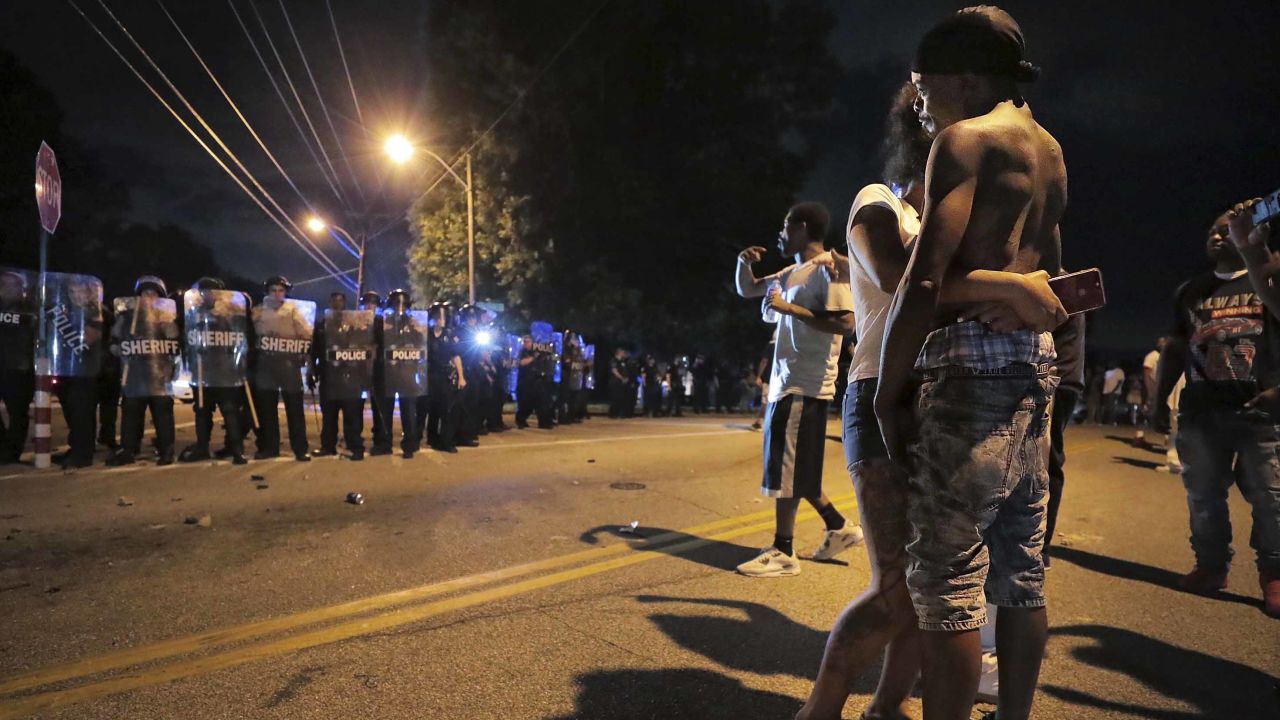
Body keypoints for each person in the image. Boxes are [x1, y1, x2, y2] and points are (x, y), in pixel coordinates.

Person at [799, 81, 1066, 720]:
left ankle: (887, 707)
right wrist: (1012, 287)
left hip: (936, 393)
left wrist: (1014, 291)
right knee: (901, 587)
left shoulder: (942, 225)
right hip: (877, 390)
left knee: (932, 587)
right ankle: (820, 707)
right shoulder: (879, 205)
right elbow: (903, 282)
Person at [874, 8, 1068, 719]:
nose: (919, 103)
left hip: (967, 374)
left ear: (962, 78)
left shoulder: (965, 141)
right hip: (1033, 366)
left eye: (924, 87)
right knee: (1021, 574)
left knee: (947, 579)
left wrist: (885, 394)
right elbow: (1056, 275)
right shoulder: (1048, 148)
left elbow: (922, 283)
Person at [1154, 200, 1280, 619]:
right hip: (1202, 411)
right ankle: (1210, 565)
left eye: (1228, 229)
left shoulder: (1268, 281)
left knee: (1271, 498)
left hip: (1261, 412)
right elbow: (1174, 350)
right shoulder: (1189, 291)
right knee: (1203, 496)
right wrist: (1159, 401)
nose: (1218, 234)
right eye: (1213, 229)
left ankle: (1274, 574)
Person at [733, 200, 864, 579]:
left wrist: (791, 312)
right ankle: (837, 526)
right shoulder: (793, 272)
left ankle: (783, 550)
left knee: (786, 470)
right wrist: (744, 263)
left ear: (803, 227)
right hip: (785, 381)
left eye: (785, 225)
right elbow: (748, 290)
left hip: (804, 382)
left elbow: (845, 322)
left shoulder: (831, 268)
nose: (780, 233)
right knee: (796, 468)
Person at [106, 276, 180, 466]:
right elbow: (115, 337)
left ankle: (166, 449)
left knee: (162, 412)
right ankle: (128, 449)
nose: (149, 297)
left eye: (154, 294)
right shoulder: (127, 316)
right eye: (145, 293)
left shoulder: (166, 318)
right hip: (135, 372)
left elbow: (175, 342)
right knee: (131, 412)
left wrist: (167, 326)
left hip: (159, 373)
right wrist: (117, 347)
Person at [180, 277, 247, 465]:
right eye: (204, 291)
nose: (207, 295)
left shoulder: (230, 314)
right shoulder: (194, 313)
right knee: (202, 411)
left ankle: (236, 450)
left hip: (225, 371)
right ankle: (202, 447)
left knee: (229, 411)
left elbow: (239, 338)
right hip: (202, 370)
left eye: (211, 291)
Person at [249, 276, 312, 462]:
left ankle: (300, 448)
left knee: (295, 411)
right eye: (273, 290)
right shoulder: (258, 311)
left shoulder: (293, 311)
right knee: (267, 411)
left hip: (288, 366)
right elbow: (249, 334)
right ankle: (270, 448)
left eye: (280, 290)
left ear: (286, 292)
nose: (277, 294)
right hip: (266, 366)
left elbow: (306, 335)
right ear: (267, 292)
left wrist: (303, 354)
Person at [312, 292, 369, 461]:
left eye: (341, 301)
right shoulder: (322, 326)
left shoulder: (353, 324)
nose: (338, 304)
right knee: (329, 415)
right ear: (330, 303)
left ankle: (355, 447)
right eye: (334, 301)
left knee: (352, 415)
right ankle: (328, 446)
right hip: (329, 378)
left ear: (345, 303)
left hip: (350, 378)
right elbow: (315, 350)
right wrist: (312, 370)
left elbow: (362, 348)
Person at [377, 290, 426, 458]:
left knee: (408, 411)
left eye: (403, 304)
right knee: (386, 411)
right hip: (387, 374)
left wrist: (414, 328)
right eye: (397, 304)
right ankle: (384, 443)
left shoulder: (412, 324)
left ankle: (410, 446)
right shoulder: (382, 323)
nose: (400, 307)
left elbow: (421, 345)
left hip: (407, 373)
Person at [0, 270, 35, 464]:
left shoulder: (29, 308)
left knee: (18, 412)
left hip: (19, 367)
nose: (5, 288)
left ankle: (11, 453)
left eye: (10, 284)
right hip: (3, 364)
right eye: (2, 284)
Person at [425, 301, 465, 453]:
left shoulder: (449, 335)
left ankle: (446, 441)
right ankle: (432, 438)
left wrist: (461, 377)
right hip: (429, 375)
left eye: (442, 317)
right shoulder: (426, 334)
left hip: (444, 376)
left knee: (446, 409)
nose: (440, 320)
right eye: (437, 317)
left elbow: (456, 357)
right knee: (433, 409)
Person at [515, 333, 556, 428]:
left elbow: (552, 360)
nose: (525, 343)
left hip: (539, 380)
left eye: (527, 341)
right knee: (525, 403)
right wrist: (534, 357)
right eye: (524, 342)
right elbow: (522, 362)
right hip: (525, 381)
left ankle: (544, 422)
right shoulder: (522, 352)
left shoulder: (540, 351)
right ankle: (521, 420)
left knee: (542, 402)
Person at [1136, 338, 1167, 443]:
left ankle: (1167, 438)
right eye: (1161, 343)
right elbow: (1146, 374)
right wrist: (1149, 390)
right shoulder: (1152, 356)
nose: (1163, 345)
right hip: (1151, 388)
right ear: (1158, 344)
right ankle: (1139, 436)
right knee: (1144, 411)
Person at [1101, 361, 1126, 425]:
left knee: (1112, 407)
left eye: (1112, 363)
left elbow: (1120, 382)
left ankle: (1111, 421)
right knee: (1106, 407)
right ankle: (1105, 421)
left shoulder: (1119, 371)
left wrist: (1114, 390)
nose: (1110, 364)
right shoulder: (1108, 372)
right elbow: (1105, 382)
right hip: (1106, 392)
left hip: (1114, 392)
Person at [608, 347, 629, 418]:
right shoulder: (614, 360)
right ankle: (613, 414)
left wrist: (626, 378)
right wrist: (622, 378)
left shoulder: (622, 361)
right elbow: (614, 371)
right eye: (622, 352)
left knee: (621, 398)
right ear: (619, 353)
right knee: (615, 398)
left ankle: (619, 413)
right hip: (615, 382)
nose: (623, 353)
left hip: (621, 383)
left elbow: (625, 370)